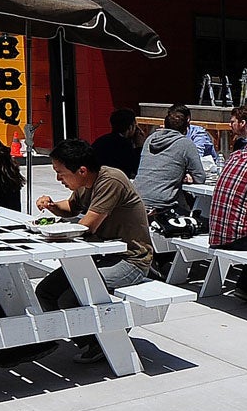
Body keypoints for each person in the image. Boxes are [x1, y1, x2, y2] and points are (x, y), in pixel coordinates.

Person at [28, 139, 156, 361]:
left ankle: (108, 338)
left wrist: (51, 234)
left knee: (72, 296)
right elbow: (70, 207)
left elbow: (87, 225)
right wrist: (51, 205)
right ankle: (89, 339)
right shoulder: (85, 184)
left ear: (82, 170)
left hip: (131, 260)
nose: (58, 179)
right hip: (101, 256)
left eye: (61, 173)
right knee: (46, 291)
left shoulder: (111, 180)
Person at [133, 104, 209, 219]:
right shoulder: (185, 144)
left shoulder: (150, 139)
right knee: (198, 218)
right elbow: (200, 178)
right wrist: (186, 175)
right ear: (187, 126)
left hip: (136, 201)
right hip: (161, 207)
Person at [88, 108, 143, 178]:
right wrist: (139, 146)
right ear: (130, 127)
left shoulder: (100, 141)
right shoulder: (125, 145)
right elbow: (137, 169)